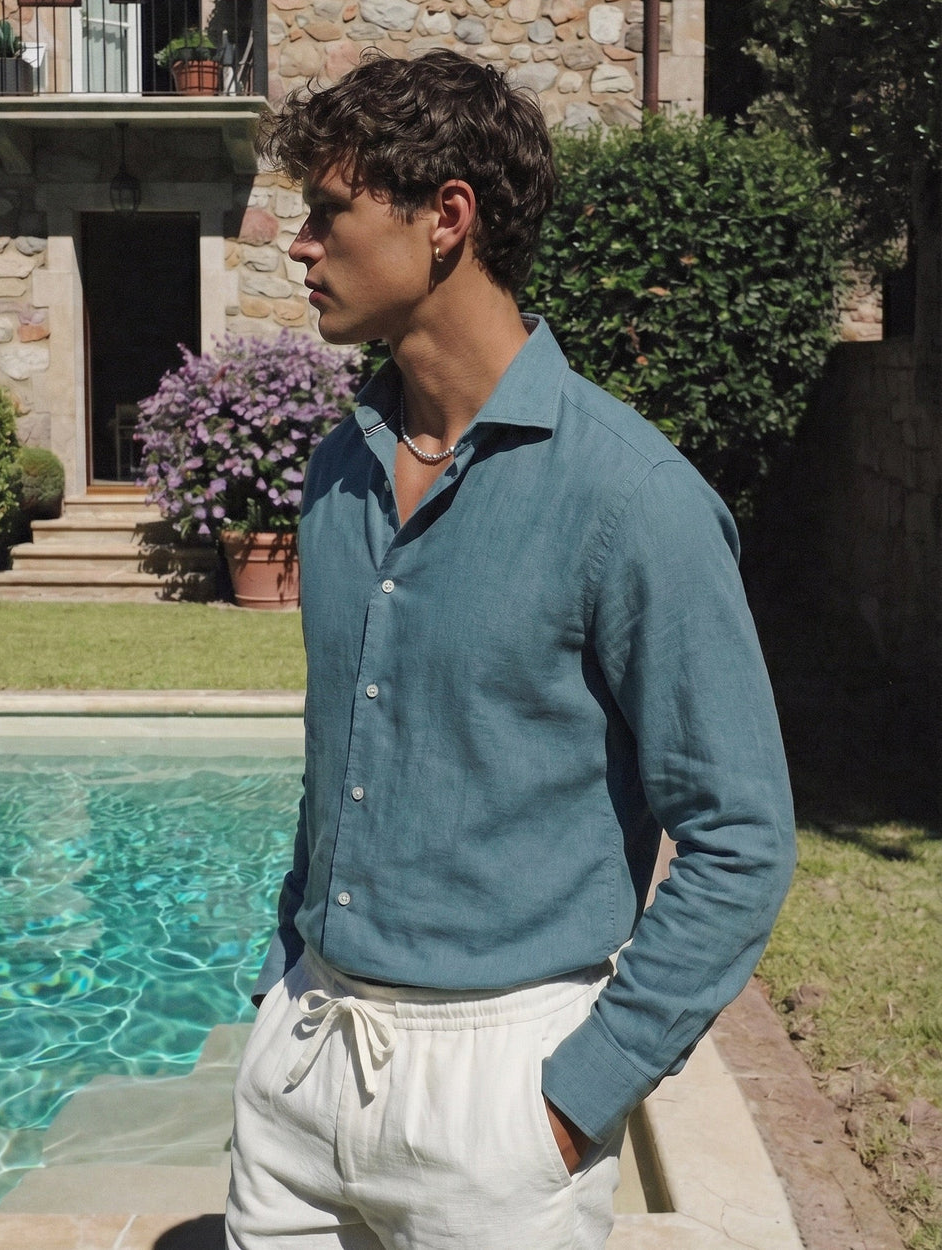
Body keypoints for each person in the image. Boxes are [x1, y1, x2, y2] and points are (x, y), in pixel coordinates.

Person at [226, 49, 795, 1250]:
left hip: (501, 1099)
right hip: (306, 1066)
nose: (299, 247)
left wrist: (574, 1098)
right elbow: (341, 763)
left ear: (446, 217)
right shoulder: (336, 471)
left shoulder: (631, 497)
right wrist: (284, 982)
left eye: (328, 211)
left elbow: (740, 836)